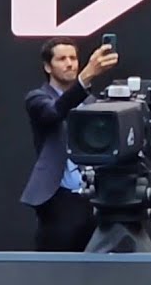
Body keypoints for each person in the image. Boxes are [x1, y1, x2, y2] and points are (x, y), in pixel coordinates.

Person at [20, 39, 119, 252]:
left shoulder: (93, 103)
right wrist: (86, 77)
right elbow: (55, 112)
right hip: (59, 198)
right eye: (62, 59)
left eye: (73, 58)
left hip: (94, 198)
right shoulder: (37, 98)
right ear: (48, 66)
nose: (70, 64)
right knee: (57, 269)